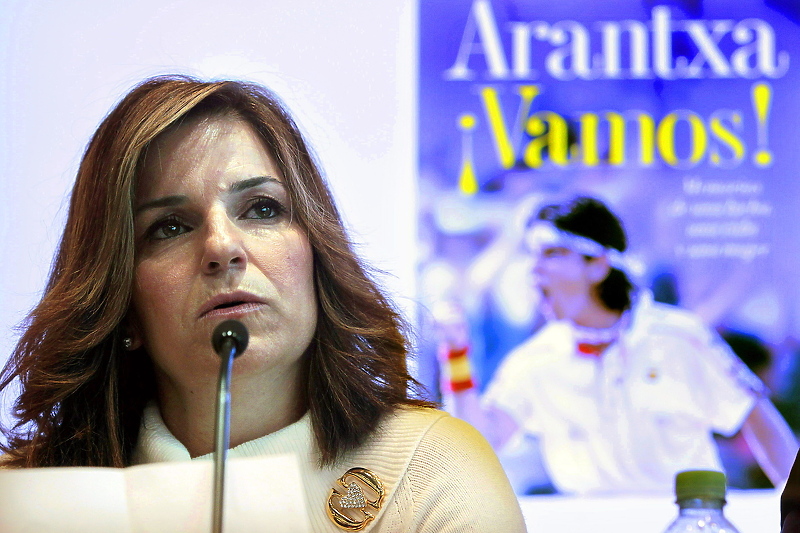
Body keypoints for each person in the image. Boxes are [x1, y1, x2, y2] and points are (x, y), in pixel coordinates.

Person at [0, 75, 526, 531]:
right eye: (171, 226)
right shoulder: (27, 499)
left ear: (317, 254)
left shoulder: (431, 469)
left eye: (262, 209)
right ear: (123, 304)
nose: (222, 247)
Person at [444, 195, 798, 495]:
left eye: (552, 253)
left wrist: (792, 507)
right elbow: (480, 447)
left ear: (598, 265)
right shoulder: (535, 361)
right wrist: (455, 358)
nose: (535, 270)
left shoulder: (680, 338)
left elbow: (758, 418)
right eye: (532, 255)